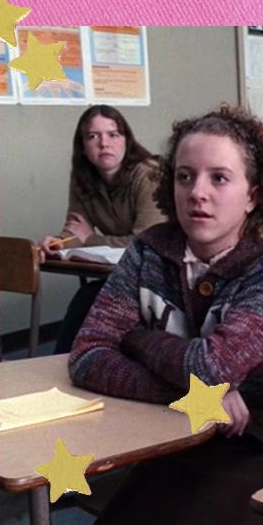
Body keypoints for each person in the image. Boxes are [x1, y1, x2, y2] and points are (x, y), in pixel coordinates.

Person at [70, 105, 263, 525]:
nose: (198, 193)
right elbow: (86, 355)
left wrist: (137, 339)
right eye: (185, 177)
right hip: (176, 445)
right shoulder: (149, 251)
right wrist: (197, 399)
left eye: (219, 178)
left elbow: (212, 367)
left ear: (254, 194)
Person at [37, 106, 166, 354]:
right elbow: (75, 230)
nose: (104, 143)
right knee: (87, 299)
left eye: (113, 135)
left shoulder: (149, 175)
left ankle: (71, 363)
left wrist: (91, 238)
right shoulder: (83, 178)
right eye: (93, 136)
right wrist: (56, 243)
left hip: (158, 274)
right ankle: (61, 368)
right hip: (119, 275)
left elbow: (146, 241)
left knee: (89, 299)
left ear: (127, 141)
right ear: (83, 147)